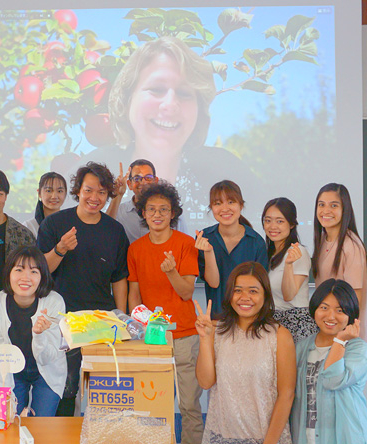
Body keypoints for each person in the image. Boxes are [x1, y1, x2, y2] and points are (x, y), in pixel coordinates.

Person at [67, 36, 254, 228]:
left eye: (184, 93)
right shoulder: (95, 168)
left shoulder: (227, 168)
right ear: (127, 98)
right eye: (156, 89)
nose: (170, 105)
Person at [37, 161, 129, 416]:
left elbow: (120, 278)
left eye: (101, 192)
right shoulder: (55, 224)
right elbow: (40, 270)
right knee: (65, 390)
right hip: (62, 322)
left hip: (102, 322)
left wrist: (120, 318)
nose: (94, 198)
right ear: (78, 190)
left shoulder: (115, 231)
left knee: (103, 392)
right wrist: (60, 249)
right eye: (89, 190)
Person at [126, 181, 202, 444]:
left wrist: (171, 271)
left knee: (190, 406)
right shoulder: (135, 249)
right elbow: (134, 296)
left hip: (184, 336)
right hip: (151, 338)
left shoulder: (185, 244)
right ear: (143, 214)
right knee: (153, 406)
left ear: (173, 213)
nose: (157, 215)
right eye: (151, 209)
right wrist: (140, 329)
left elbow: (187, 292)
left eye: (164, 209)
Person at [195, 262, 296, 444]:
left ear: (265, 295)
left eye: (253, 291)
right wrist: (204, 339)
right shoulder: (216, 330)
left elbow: (286, 394)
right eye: (238, 290)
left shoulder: (279, 335)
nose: (244, 297)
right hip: (222, 436)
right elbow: (205, 382)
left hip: (266, 437)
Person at [291, 279, 367, 444]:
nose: (330, 316)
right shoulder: (301, 347)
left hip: (347, 437)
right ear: (314, 309)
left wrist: (340, 341)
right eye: (324, 308)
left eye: (340, 310)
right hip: (305, 436)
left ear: (351, 315)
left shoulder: (357, 349)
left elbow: (333, 380)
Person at [0, 246, 66, 417]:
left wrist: (39, 335)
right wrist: (9, 398)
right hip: (11, 372)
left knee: (42, 425)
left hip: (47, 371)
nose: (25, 278)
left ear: (42, 276)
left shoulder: (53, 302)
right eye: (19, 270)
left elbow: (47, 357)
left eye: (34, 271)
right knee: (11, 422)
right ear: (9, 273)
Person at [196, 180, 268, 316]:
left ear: (241, 206)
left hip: (247, 320)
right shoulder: (205, 238)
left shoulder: (255, 242)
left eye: (231, 202)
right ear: (211, 208)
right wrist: (209, 252)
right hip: (217, 320)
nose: (225, 208)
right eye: (218, 203)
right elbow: (213, 283)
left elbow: (259, 289)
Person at [312, 183, 367, 343]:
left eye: (334, 205)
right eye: (321, 205)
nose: (326, 211)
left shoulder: (351, 245)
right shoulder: (323, 239)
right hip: (328, 327)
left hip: (345, 332)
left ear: (345, 210)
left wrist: (343, 337)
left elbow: (354, 299)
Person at [262, 198, 317, 343]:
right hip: (272, 324)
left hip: (295, 325)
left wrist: (288, 265)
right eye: (268, 220)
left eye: (280, 221)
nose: (272, 226)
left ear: (292, 224)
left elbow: (289, 295)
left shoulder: (297, 252)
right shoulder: (268, 254)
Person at [106, 159, 187, 243]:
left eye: (148, 178)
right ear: (129, 184)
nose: (143, 182)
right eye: (137, 178)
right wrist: (118, 195)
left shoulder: (172, 211)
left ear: (155, 181)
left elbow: (184, 243)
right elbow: (103, 230)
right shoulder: (120, 211)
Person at [23, 172, 67, 238]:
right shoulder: (29, 226)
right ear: (39, 193)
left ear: (65, 194)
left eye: (59, 191)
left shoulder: (71, 225)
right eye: (49, 191)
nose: (54, 196)